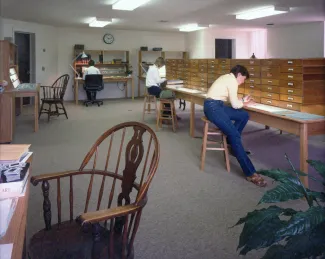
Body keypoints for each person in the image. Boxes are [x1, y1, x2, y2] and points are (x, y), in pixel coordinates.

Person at [204, 65, 267, 187]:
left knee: (244, 116)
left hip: (216, 105)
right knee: (235, 135)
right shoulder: (232, 81)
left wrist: (243, 100)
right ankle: (250, 173)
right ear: (239, 75)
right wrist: (245, 102)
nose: (243, 82)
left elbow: (233, 102)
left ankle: (231, 142)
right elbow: (235, 105)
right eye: (243, 79)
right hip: (213, 108)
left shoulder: (227, 78)